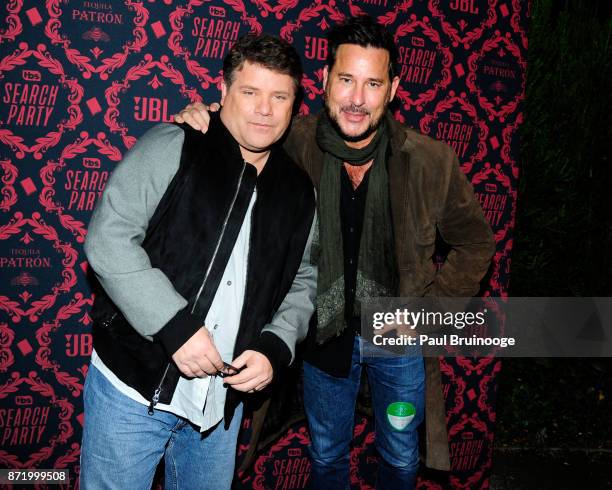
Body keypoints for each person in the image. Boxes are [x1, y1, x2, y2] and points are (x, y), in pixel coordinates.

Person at [176, 16, 495, 490]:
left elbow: (476, 241)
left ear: (393, 90)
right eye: (346, 80)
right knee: (325, 454)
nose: (357, 99)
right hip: (324, 337)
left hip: (398, 340)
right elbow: (244, 125)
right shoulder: (294, 140)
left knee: (402, 457)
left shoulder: (430, 161)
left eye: (372, 83)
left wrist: (431, 312)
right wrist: (198, 117)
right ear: (325, 81)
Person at [80, 34, 317, 490]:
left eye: (279, 96)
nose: (264, 109)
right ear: (223, 93)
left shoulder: (298, 192)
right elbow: (108, 240)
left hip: (221, 411)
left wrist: (275, 346)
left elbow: (304, 278)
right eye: (250, 92)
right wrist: (173, 326)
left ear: (293, 104)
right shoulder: (177, 144)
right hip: (134, 393)